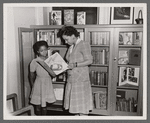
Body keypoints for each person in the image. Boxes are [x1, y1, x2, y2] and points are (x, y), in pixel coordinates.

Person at [58, 26, 93, 116]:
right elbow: (69, 61)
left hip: (80, 80)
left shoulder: (83, 44)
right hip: (71, 79)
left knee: (82, 107)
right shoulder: (71, 47)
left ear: (73, 35)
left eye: (66, 39)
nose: (66, 42)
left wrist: (75, 65)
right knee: (75, 107)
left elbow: (89, 60)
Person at [29, 41, 56, 115]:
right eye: (41, 51)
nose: (44, 52)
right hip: (39, 83)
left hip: (47, 83)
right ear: (37, 51)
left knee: (44, 105)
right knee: (37, 105)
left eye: (45, 50)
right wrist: (33, 86)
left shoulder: (50, 60)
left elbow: (54, 72)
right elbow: (31, 75)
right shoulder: (35, 61)